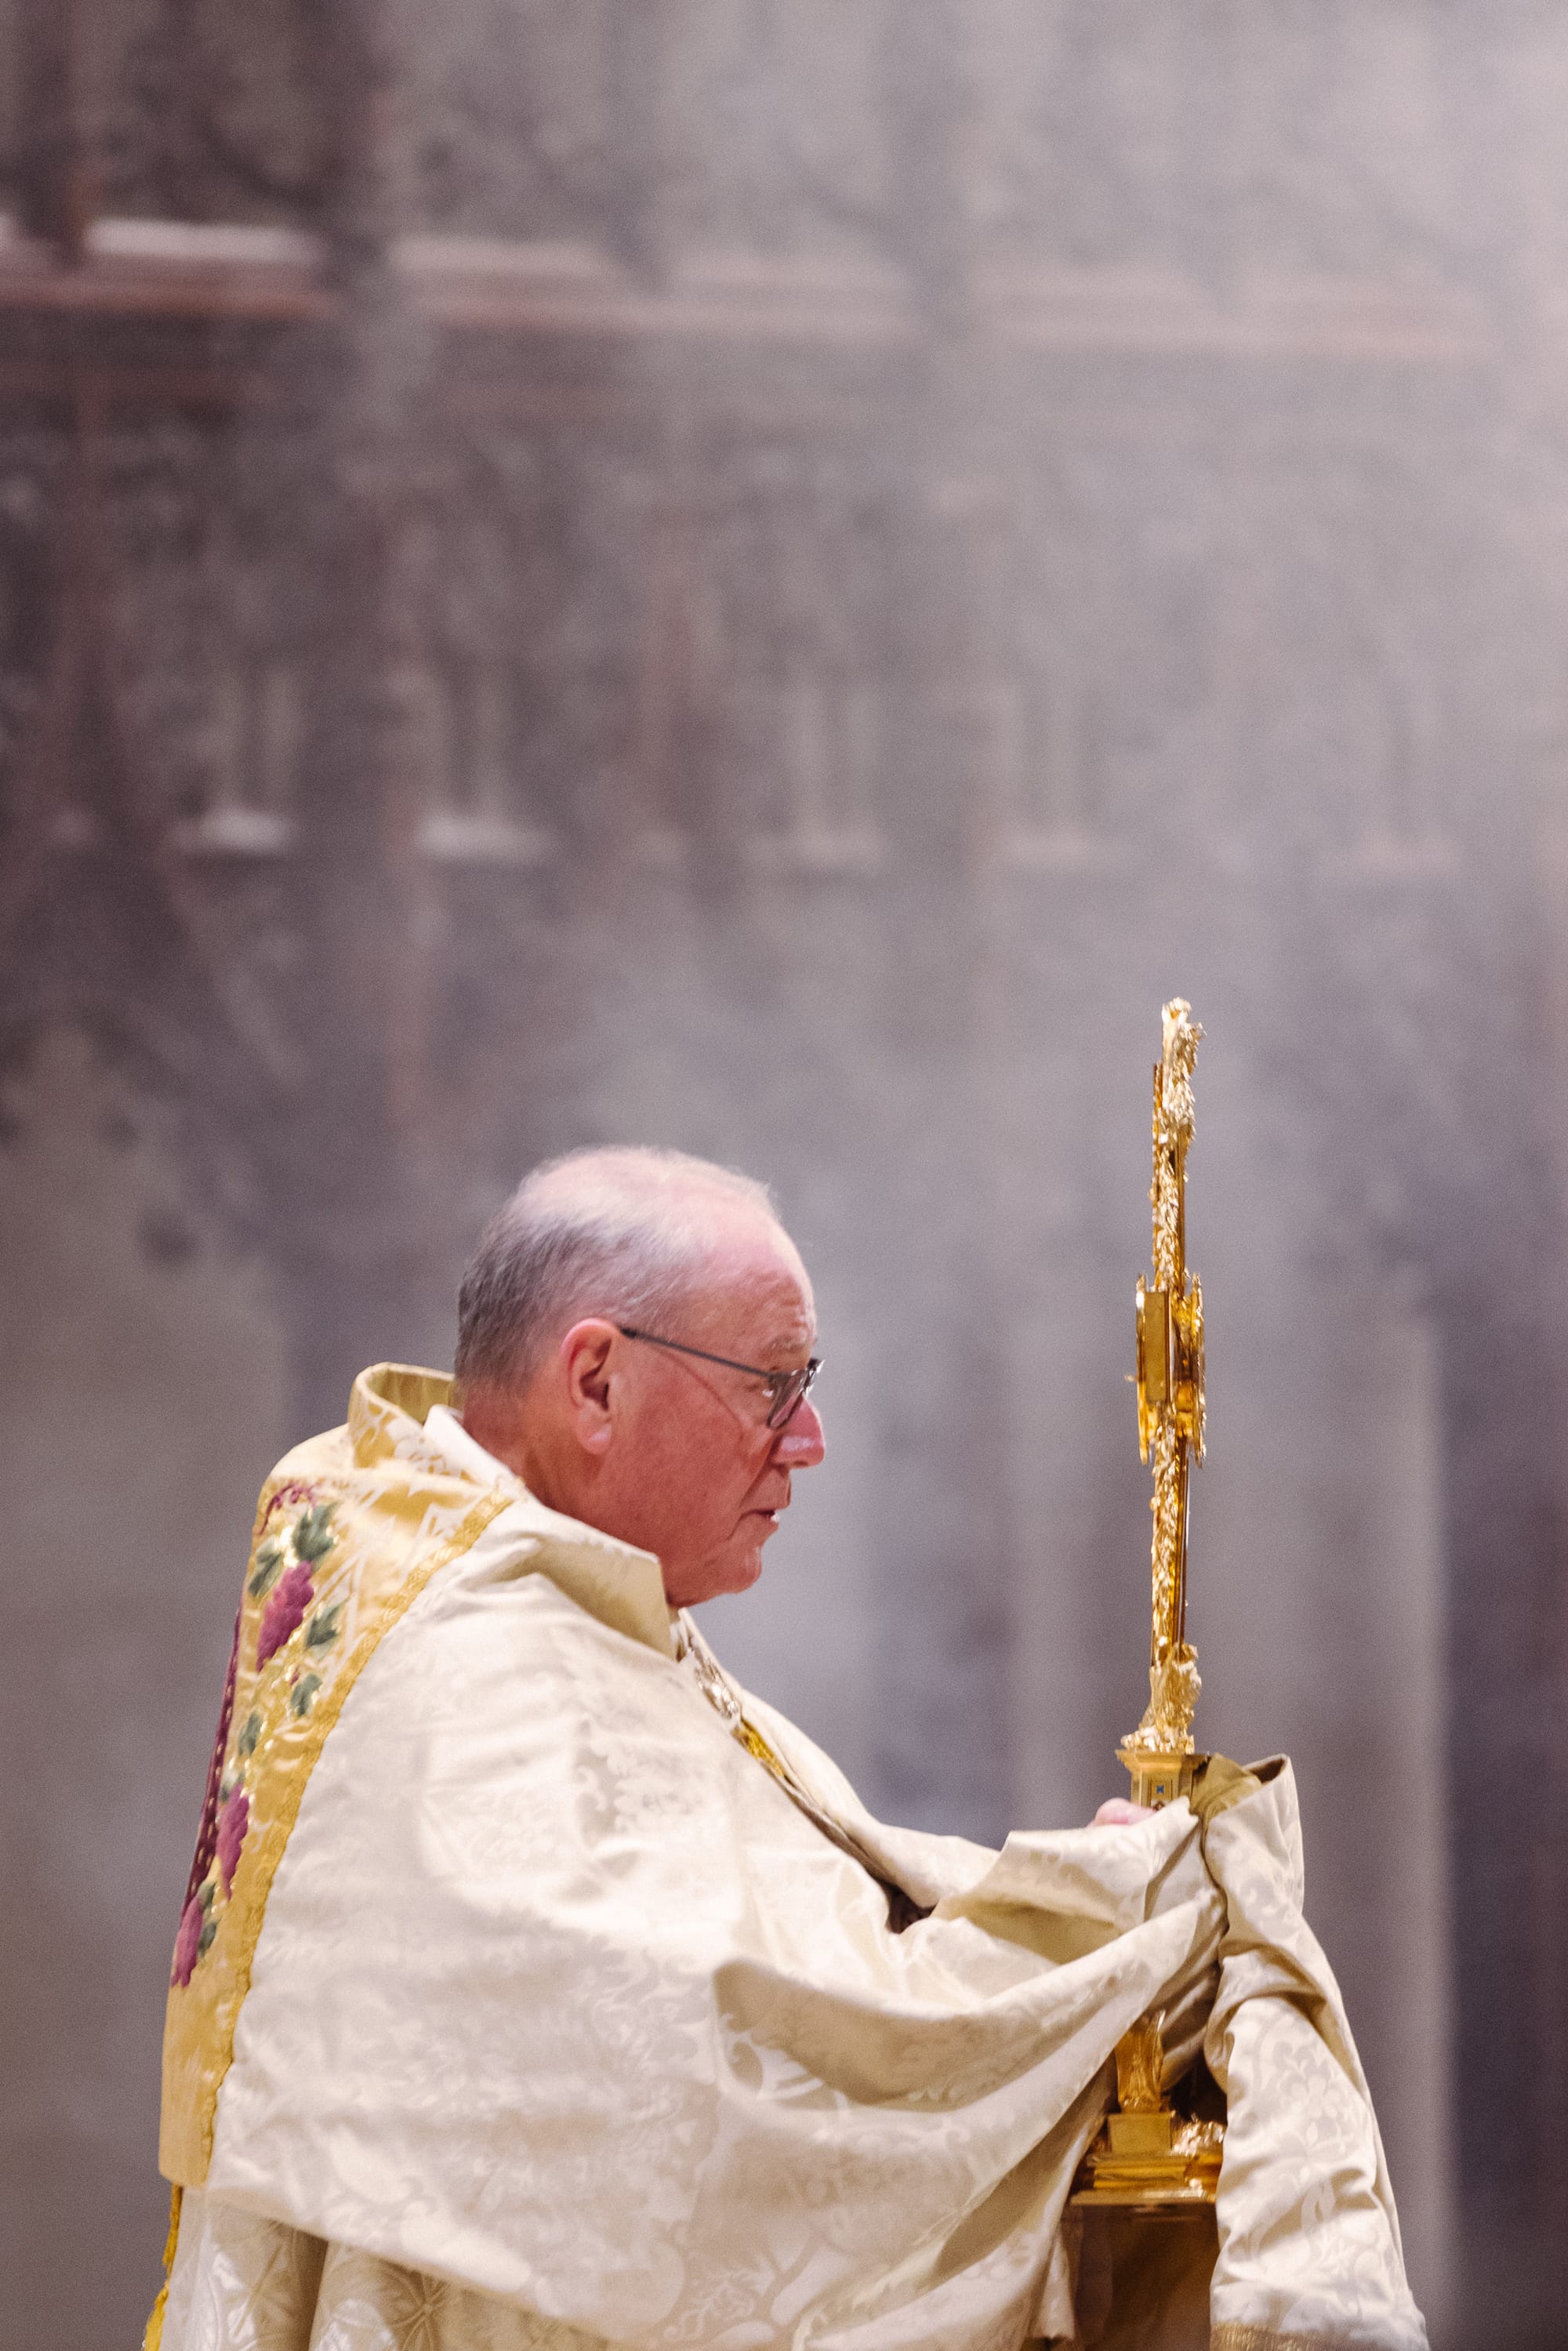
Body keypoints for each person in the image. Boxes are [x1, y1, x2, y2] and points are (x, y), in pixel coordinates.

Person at [149, 1147, 1426, 2351]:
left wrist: (1054, 1913)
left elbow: (783, 1912)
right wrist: (1100, 1931)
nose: (807, 1441)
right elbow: (703, 2075)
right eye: (775, 1386)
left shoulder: (532, 1586)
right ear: (596, 1380)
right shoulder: (455, 1654)